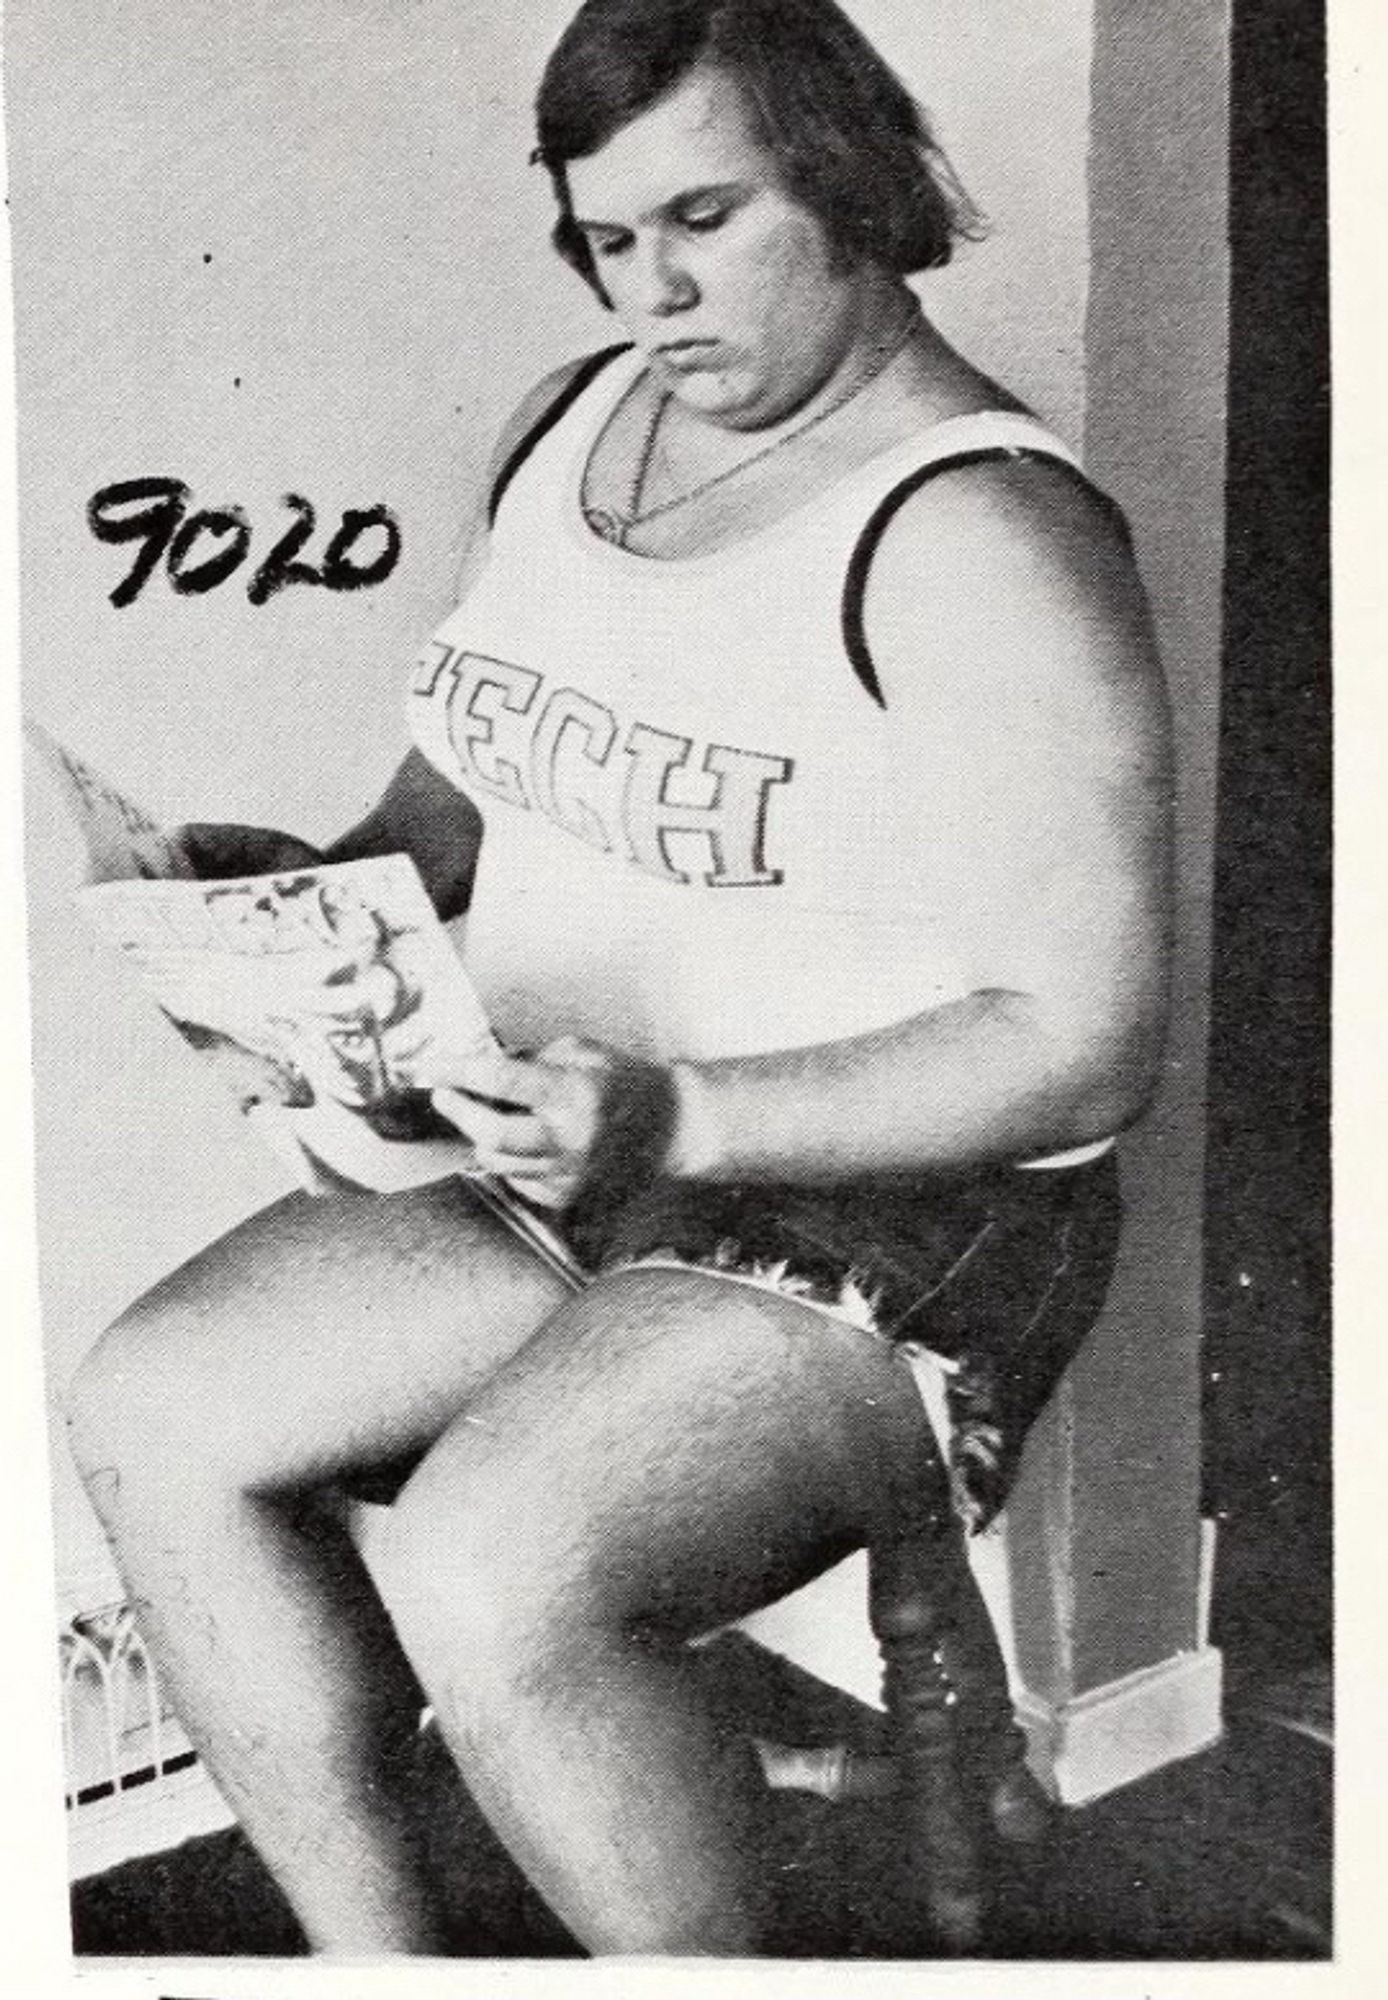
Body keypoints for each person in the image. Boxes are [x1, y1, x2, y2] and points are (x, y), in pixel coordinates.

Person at [65, 0, 1173, 1959]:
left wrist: (684, 1113)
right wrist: (294, 901)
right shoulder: (578, 414)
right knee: (156, 1401)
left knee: (496, 1561)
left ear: (847, 185)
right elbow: (464, 800)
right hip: (583, 1141)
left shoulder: (977, 534)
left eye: (702, 220)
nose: (645, 288)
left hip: (900, 1215)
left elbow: (1082, 1052)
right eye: (600, 235)